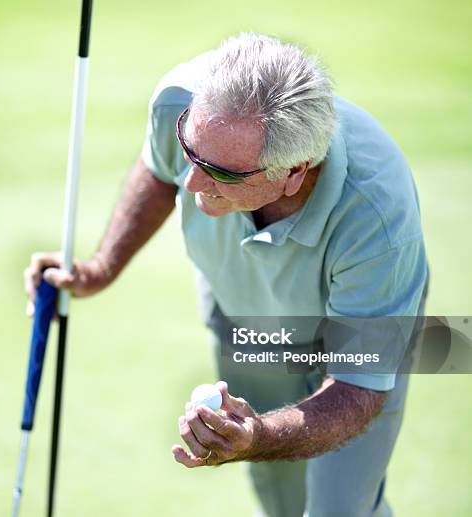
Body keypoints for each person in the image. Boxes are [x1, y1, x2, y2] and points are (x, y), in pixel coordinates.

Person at [24, 34, 428, 517]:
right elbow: (159, 171)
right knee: (277, 490)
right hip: (246, 312)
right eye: (190, 149)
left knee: (340, 508)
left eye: (220, 172)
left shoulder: (379, 220)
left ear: (295, 172)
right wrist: (101, 267)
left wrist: (257, 435)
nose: (191, 183)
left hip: (357, 338)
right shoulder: (181, 101)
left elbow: (358, 386)